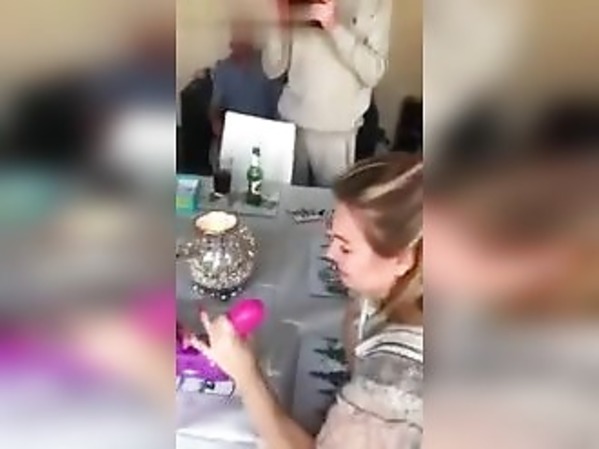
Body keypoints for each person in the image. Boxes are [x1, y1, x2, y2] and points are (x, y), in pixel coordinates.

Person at [185, 153, 423, 449]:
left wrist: (246, 375)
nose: (330, 254)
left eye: (346, 248)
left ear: (403, 260)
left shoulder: (395, 383)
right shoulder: (394, 291)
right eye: (332, 236)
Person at [262, 0, 393, 187]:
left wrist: (333, 26)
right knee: (281, 201)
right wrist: (279, 21)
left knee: (330, 203)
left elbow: (374, 72)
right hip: (291, 124)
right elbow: (272, 69)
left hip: (337, 132)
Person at [210, 18, 282, 139]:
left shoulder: (267, 64)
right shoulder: (223, 69)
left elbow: (278, 103)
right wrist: (215, 122)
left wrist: (276, 131)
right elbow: (215, 105)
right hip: (236, 130)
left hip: (264, 129)